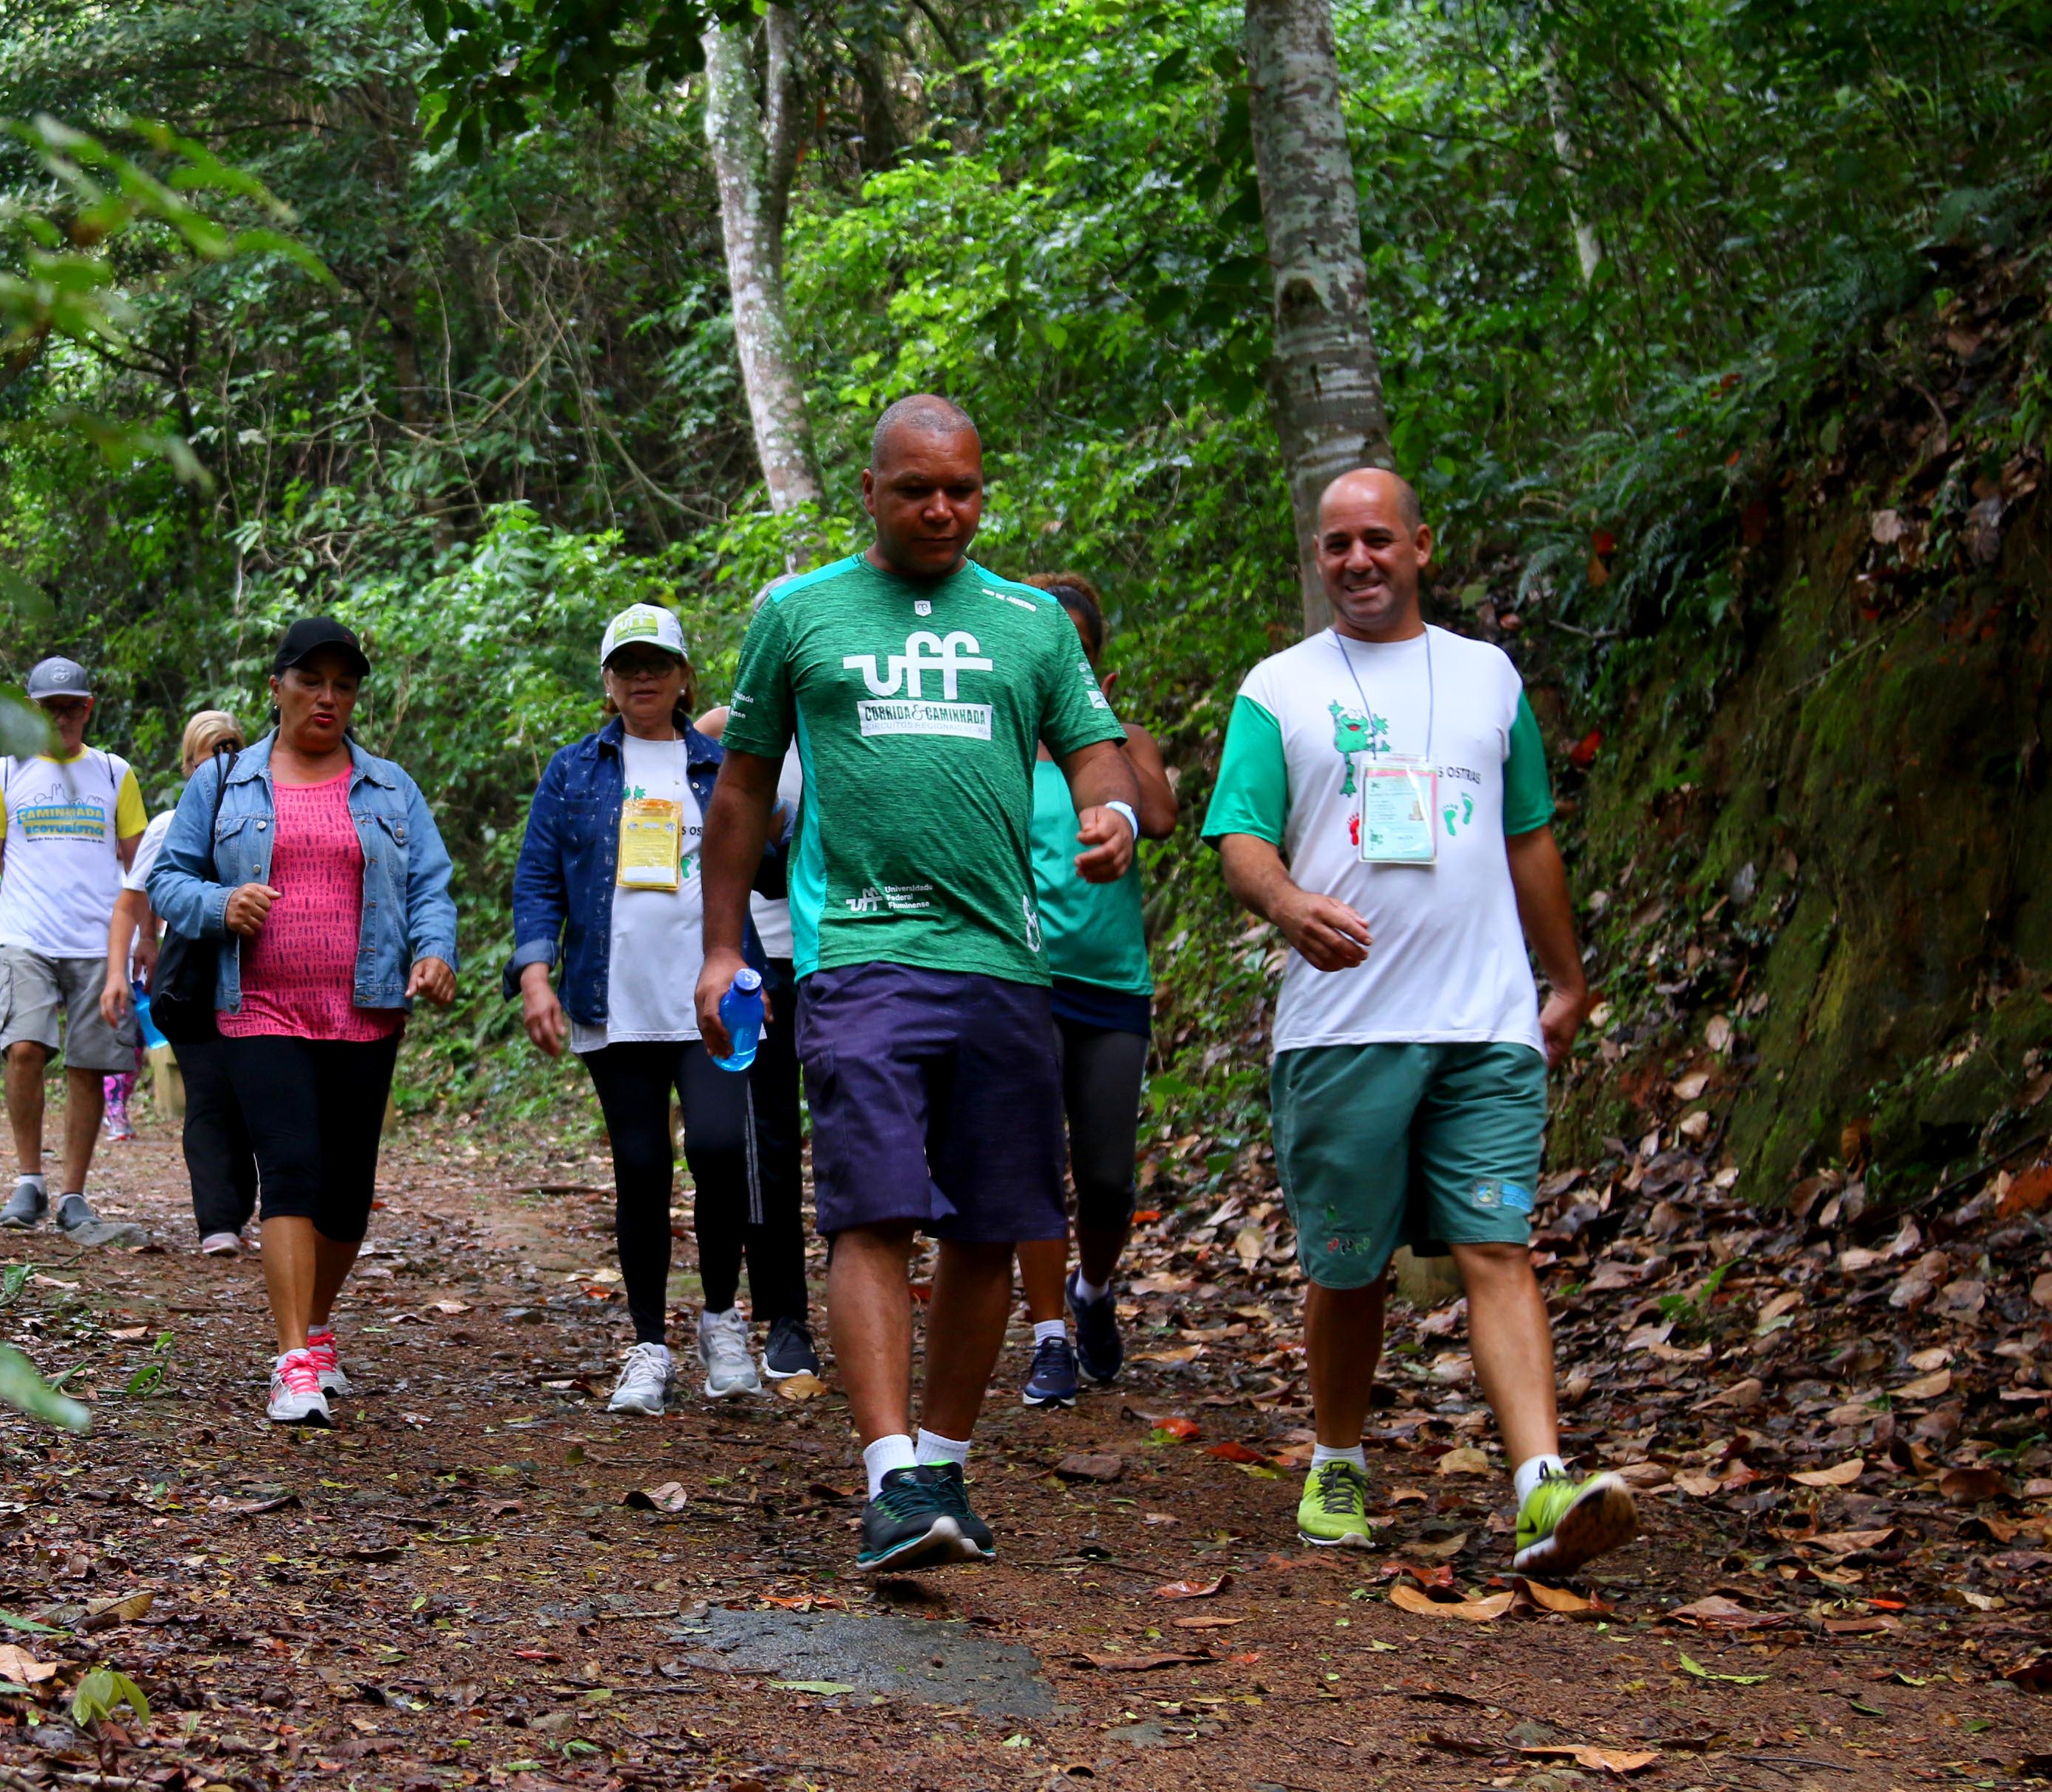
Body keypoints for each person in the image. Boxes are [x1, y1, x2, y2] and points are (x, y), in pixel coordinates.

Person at [694, 395, 1141, 1570]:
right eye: (916, 489)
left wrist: (1113, 807)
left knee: (995, 1222)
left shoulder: (1030, 621)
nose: (942, 508)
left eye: (963, 489)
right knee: (874, 1206)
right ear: (871, 492)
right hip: (861, 952)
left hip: (1003, 959)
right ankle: (889, 1472)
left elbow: (1094, 742)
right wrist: (723, 946)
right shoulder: (798, 614)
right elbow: (741, 790)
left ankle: (941, 1464)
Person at [1202, 465, 1635, 1573]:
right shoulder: (1281, 687)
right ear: (1318, 556)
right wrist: (1290, 902)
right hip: (1344, 1029)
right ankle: (1338, 1460)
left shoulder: (1489, 678)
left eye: (1378, 540)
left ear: (1421, 546)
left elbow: (1528, 835)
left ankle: (1543, 1486)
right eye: (1337, 544)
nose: (1358, 561)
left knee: (1498, 1243)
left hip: (1484, 1021)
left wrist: (1567, 979)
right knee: (1349, 1264)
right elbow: (1239, 837)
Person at [148, 619, 458, 1425]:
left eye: (344, 684)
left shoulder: (391, 787)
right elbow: (168, 881)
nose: (328, 697)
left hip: (367, 1005)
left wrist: (433, 951)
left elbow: (430, 884)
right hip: (260, 1006)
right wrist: (221, 903)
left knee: (348, 1194)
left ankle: (317, 1324)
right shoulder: (223, 782)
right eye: (312, 680)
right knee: (289, 1169)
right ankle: (292, 1359)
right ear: (277, 685)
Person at [508, 603, 804, 1417]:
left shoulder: (725, 764)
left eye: (658, 663)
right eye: (627, 664)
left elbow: (768, 873)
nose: (643, 677)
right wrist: (535, 972)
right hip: (615, 999)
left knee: (715, 1149)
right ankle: (647, 1343)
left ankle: (719, 1318)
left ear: (683, 676)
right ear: (608, 679)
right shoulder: (574, 772)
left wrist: (786, 835)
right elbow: (537, 880)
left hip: (716, 997)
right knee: (640, 1168)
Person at [1011, 573, 1178, 1406]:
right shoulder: (997, 740)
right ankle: (1047, 1337)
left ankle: (1095, 1291)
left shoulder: (1125, 743)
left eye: (1076, 653)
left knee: (1108, 1176)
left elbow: (1160, 817)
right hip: (1022, 977)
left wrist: (1100, 729)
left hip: (1112, 982)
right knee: (1033, 1157)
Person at [0, 657, 149, 1235]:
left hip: (100, 943)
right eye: (49, 708)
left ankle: (73, 1192)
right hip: (26, 936)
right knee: (23, 1048)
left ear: (88, 709)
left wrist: (148, 938)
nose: (61, 717)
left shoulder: (115, 773)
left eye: (71, 707)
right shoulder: (6, 774)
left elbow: (138, 863)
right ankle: (29, 1181)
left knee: (90, 1064)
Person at [690, 584, 822, 1387]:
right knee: (766, 1142)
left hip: (843, 954)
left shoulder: (846, 714)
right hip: (759, 961)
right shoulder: (723, 730)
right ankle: (786, 1317)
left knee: (844, 1139)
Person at [103, 708, 255, 1253]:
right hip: (193, 981)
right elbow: (131, 902)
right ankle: (217, 1221)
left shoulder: (267, 816)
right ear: (189, 763)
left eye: (232, 747)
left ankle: (238, 1206)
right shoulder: (170, 826)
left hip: (259, 978)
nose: (222, 761)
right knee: (211, 1095)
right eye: (209, 752)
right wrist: (118, 972)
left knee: (248, 1099)